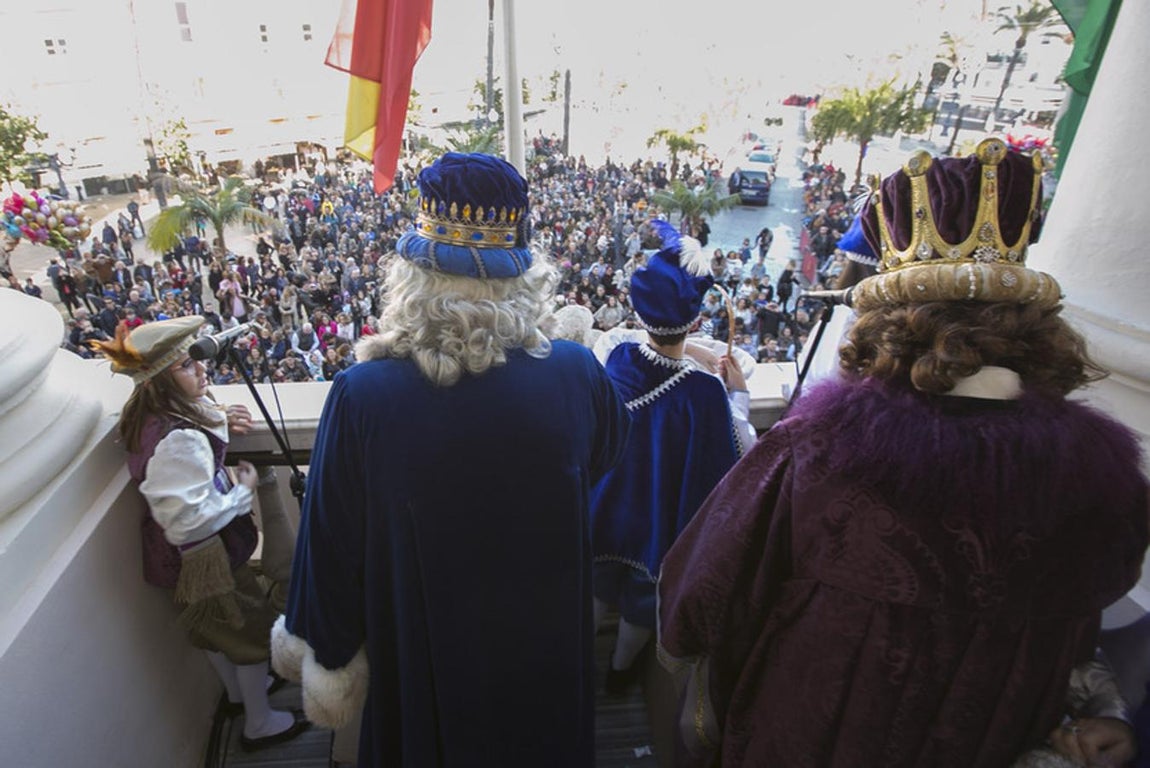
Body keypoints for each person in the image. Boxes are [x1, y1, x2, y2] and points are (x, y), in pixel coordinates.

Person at [657, 138, 1149, 767]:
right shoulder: (1104, 480)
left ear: (888, 321)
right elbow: (1085, 622)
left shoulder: (817, 454)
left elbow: (697, 597)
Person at [271, 153, 631, 768]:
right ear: (521, 274)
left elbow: (329, 544)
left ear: (414, 274)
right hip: (544, 649)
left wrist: (327, 650)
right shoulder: (576, 373)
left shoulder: (364, 395)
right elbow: (604, 455)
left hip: (425, 662)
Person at [89, 316, 309, 752]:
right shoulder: (178, 439)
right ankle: (258, 724)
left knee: (212, 632)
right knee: (245, 633)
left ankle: (236, 695)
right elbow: (188, 519)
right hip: (206, 555)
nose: (203, 370)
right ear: (158, 383)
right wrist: (241, 494)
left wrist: (218, 413)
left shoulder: (154, 416)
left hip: (180, 556)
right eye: (187, 366)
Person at [589, 219, 753, 700]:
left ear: (637, 311)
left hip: (603, 503)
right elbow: (740, 449)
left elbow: (628, 340)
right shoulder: (704, 390)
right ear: (697, 318)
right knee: (643, 600)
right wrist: (738, 394)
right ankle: (620, 675)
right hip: (657, 516)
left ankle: (575, 670)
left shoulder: (612, 356)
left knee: (596, 585)